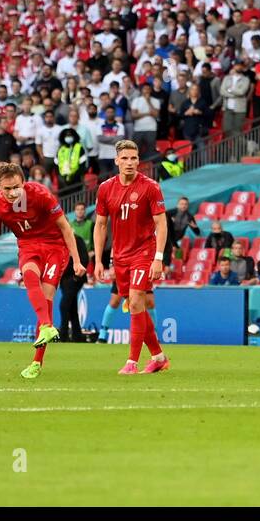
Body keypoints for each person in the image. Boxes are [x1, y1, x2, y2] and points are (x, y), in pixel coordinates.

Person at [0, 163, 86, 379]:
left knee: (46, 301)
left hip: (55, 246)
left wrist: (76, 261)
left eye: (16, 187)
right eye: (6, 189)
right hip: (28, 245)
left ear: (24, 182)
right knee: (29, 274)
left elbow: (66, 227)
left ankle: (37, 362)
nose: (12, 193)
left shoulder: (40, 194)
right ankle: (47, 327)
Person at [92, 140, 170, 375]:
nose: (129, 163)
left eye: (134, 158)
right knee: (135, 308)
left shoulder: (150, 187)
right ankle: (158, 357)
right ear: (116, 160)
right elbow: (100, 225)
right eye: (125, 158)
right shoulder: (105, 188)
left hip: (144, 253)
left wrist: (158, 257)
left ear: (139, 161)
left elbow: (161, 223)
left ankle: (131, 363)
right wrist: (98, 260)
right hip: (121, 257)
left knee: (136, 301)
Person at [57, 232, 92, 344]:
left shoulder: (77, 239)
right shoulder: (58, 241)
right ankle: (77, 336)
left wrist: (76, 278)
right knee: (71, 308)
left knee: (64, 305)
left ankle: (63, 335)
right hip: (64, 280)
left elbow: (85, 259)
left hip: (74, 278)